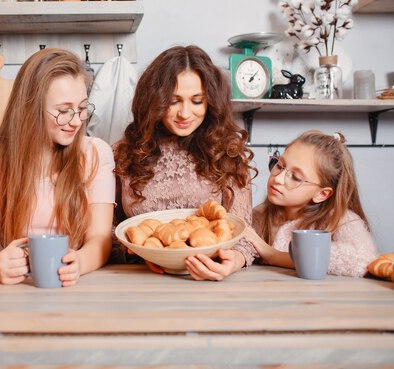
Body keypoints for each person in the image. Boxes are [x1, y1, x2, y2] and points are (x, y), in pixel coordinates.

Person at [0, 48, 115, 287]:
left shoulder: (96, 153)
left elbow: (100, 237)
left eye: (82, 108)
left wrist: (81, 262)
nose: (77, 121)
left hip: (76, 287)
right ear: (30, 110)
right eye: (64, 111)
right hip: (18, 288)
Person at [112, 45, 258, 280]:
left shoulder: (227, 152)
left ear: (211, 102)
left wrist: (235, 262)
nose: (185, 113)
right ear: (153, 101)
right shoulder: (124, 153)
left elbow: (243, 230)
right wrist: (138, 252)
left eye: (197, 101)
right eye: (173, 101)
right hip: (138, 280)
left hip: (210, 280)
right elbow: (107, 230)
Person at [244, 130, 378, 277]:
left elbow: (364, 259)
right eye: (280, 166)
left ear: (322, 194)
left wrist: (273, 255)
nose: (278, 179)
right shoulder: (259, 216)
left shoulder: (341, 220)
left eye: (295, 177)